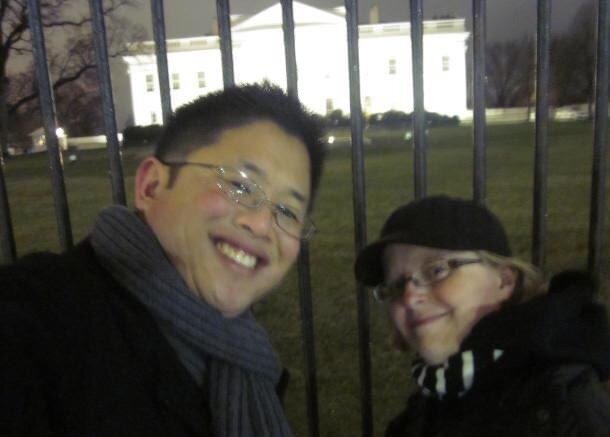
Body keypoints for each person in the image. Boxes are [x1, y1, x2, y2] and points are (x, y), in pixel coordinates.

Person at [1, 83, 325, 437]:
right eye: (241, 186)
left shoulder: (248, 357)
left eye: (287, 211)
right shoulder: (34, 324)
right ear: (151, 186)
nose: (262, 225)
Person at [355, 195, 610, 437]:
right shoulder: (436, 397)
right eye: (396, 286)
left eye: (437, 270)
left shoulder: (560, 408)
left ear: (505, 280)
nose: (409, 297)